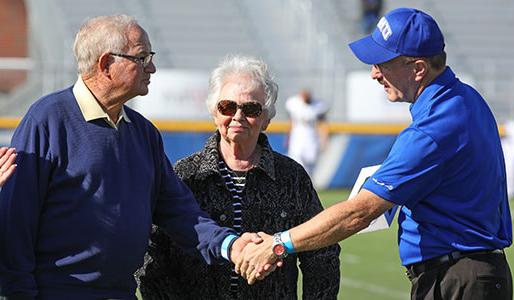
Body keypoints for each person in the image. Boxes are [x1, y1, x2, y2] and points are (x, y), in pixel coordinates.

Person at [236, 8, 513, 300]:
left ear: (418, 68)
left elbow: (360, 213)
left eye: (382, 62)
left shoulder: (433, 128)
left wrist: (278, 244)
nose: (374, 73)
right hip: (468, 274)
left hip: (458, 279)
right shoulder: (465, 98)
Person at [0, 15, 258, 300]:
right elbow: (16, 221)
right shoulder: (47, 120)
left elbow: (179, 210)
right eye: (142, 57)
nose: (153, 67)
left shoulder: (143, 132)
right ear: (106, 64)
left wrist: (231, 246)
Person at [136, 55, 340, 300]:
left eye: (251, 109)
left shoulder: (291, 177)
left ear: (266, 119)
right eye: (228, 107)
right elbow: (152, 252)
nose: (238, 116)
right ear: (214, 112)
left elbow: (322, 252)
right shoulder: (186, 174)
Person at [285, 89, 328, 176]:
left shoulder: (318, 106)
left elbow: (323, 124)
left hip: (311, 137)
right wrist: (288, 137)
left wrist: (324, 139)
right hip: (297, 137)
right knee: (296, 160)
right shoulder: (294, 104)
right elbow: (291, 123)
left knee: (310, 162)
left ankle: (307, 184)